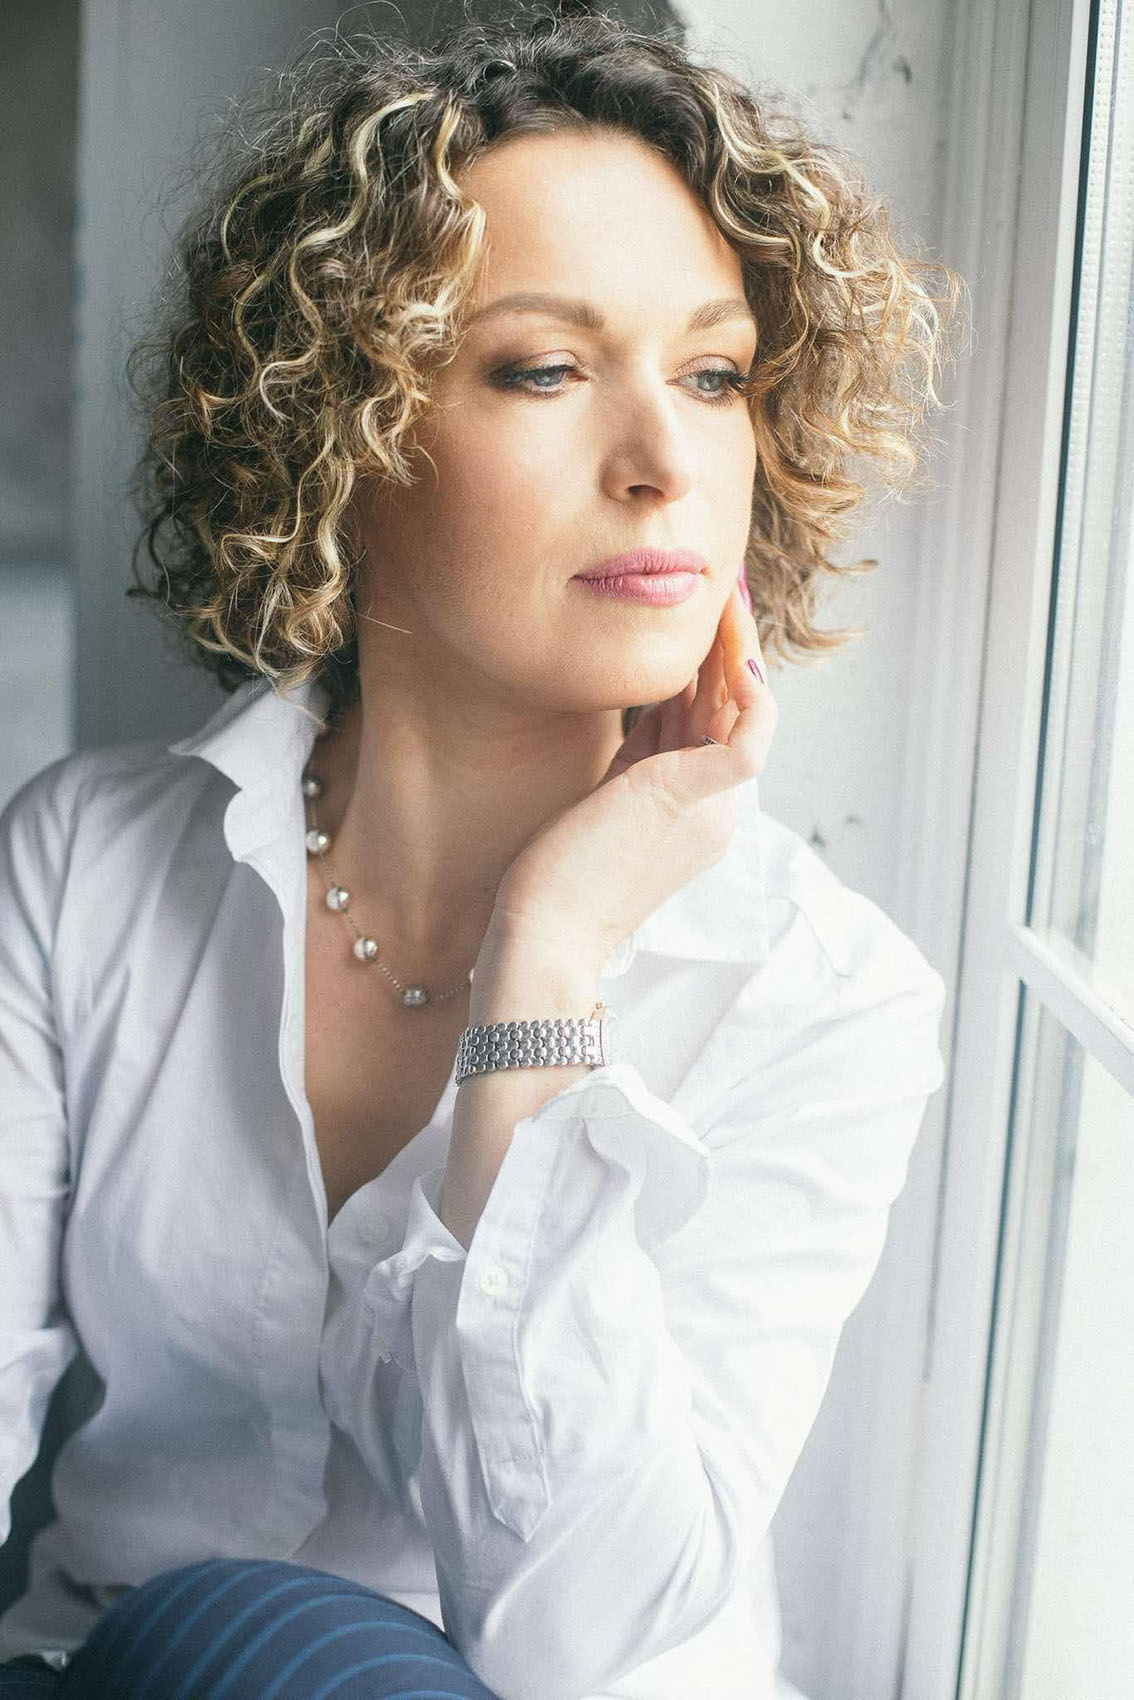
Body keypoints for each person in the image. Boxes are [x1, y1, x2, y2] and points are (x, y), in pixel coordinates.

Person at [0, 7, 965, 1697]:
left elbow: (578, 1637)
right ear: (338, 431)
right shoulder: (87, 865)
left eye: (714, 376)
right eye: (544, 370)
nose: (665, 464)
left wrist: (549, 960)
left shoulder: (821, 995)